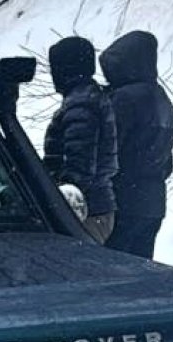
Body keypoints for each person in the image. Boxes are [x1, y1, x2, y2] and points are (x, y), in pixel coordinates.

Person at [99, 31, 173, 258]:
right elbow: (167, 160)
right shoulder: (161, 98)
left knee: (110, 270)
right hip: (153, 201)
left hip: (123, 198)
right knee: (139, 271)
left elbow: (108, 148)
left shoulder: (124, 99)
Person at [43, 36, 119, 243]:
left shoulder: (82, 104)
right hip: (92, 207)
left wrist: (60, 202)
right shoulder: (87, 98)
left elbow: (80, 166)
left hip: (85, 211)